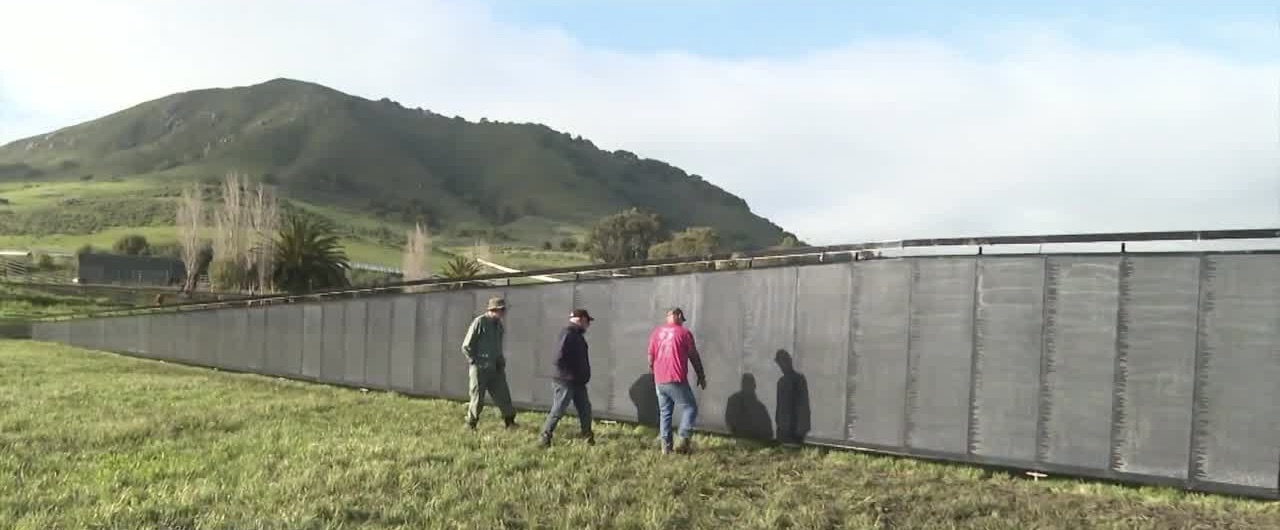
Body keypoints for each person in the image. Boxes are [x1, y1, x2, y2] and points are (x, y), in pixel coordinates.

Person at [647, 307, 706, 454]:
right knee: (690, 407)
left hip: (660, 379)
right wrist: (701, 375)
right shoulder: (684, 333)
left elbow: (650, 356)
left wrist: (654, 373)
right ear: (678, 315)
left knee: (665, 413)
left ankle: (666, 448)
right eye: (681, 319)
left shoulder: (656, 332)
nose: (682, 322)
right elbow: (693, 355)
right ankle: (683, 438)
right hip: (675, 377)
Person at [539, 309, 595, 447]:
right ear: (580, 319)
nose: (588, 325)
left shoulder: (577, 335)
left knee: (585, 409)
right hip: (566, 381)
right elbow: (558, 358)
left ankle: (587, 436)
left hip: (578, 382)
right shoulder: (568, 334)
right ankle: (545, 437)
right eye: (587, 321)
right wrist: (570, 374)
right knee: (558, 409)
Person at [461, 296, 517, 430]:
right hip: (480, 368)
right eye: (501, 310)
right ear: (493, 310)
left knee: (503, 395)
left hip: (496, 367)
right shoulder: (480, 322)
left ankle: (509, 421)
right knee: (477, 397)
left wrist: (500, 360)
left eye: (504, 310)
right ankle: (471, 423)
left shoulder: (499, 326)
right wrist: (475, 361)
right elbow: (466, 346)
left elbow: (498, 346)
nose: (503, 312)